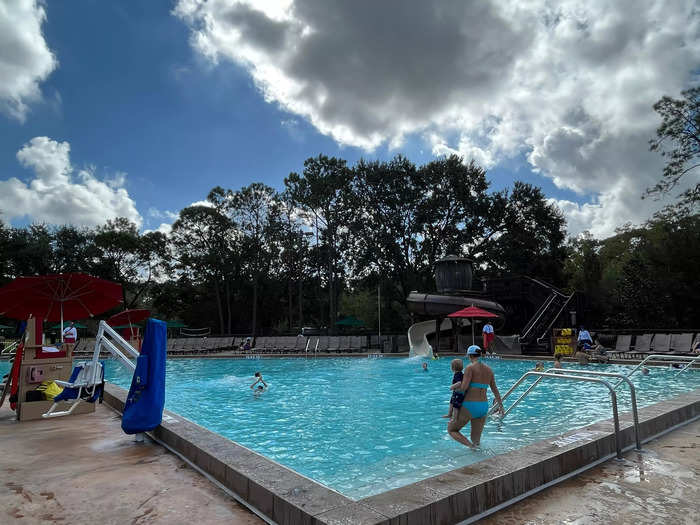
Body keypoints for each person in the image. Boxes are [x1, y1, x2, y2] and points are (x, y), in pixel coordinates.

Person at [448, 345, 503, 448]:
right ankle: (476, 450)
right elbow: (495, 389)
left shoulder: (470, 368)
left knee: (452, 430)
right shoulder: (489, 370)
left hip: (470, 405)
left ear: (469, 356)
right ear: (480, 354)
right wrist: (501, 406)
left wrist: (453, 388)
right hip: (483, 407)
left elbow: (463, 388)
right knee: (476, 440)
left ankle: (471, 447)